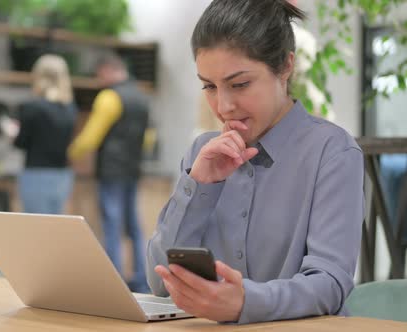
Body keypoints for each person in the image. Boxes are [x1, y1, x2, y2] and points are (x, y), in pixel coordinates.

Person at [147, 0, 364, 324]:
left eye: (239, 84)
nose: (223, 105)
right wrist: (200, 186)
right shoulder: (203, 153)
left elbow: (329, 284)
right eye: (209, 86)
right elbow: (159, 281)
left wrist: (245, 302)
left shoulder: (332, 152)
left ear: (286, 66)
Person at [67, 53, 150, 293]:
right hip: (134, 168)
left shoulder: (109, 97)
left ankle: (116, 283)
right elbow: (148, 138)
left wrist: (71, 152)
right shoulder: (141, 97)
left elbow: (92, 136)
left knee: (112, 224)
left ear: (106, 71)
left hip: (112, 170)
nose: (98, 80)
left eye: (98, 75)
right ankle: (141, 280)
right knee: (133, 224)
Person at [1, 54, 78, 214]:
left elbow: (21, 143)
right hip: (63, 175)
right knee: (54, 228)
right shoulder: (70, 109)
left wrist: (11, 133)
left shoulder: (32, 107)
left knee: (36, 229)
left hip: (37, 174)